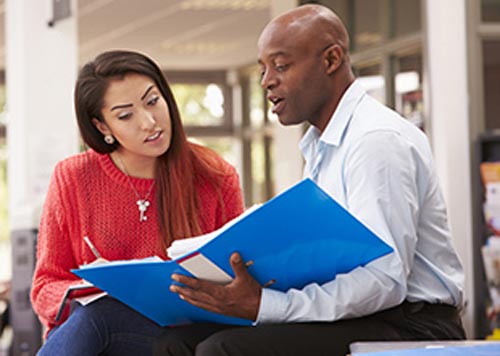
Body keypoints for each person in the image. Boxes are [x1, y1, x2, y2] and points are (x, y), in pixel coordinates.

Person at [153, 4, 466, 356]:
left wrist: (266, 305)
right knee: (174, 344)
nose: (267, 81)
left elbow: (385, 280)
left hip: (409, 322)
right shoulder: (322, 147)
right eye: (263, 69)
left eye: (281, 66)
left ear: (331, 60)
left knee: (224, 350)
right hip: (364, 314)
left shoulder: (375, 141)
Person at [31, 50, 244, 356]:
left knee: (98, 318)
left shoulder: (214, 175)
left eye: (153, 101)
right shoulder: (73, 177)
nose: (149, 122)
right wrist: (91, 290)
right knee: (98, 314)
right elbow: (45, 285)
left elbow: (237, 279)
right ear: (103, 126)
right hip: (97, 332)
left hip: (183, 336)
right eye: (125, 115)